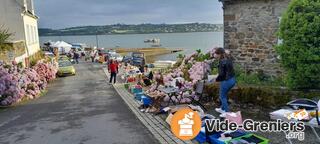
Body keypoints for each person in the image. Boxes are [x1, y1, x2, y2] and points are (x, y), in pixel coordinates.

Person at [214, 47, 236, 117]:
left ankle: (227, 113)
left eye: (216, 54)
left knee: (222, 96)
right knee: (224, 95)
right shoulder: (228, 59)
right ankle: (222, 109)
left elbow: (221, 74)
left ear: (219, 54)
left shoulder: (222, 61)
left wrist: (215, 78)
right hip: (232, 80)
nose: (215, 55)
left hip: (226, 81)